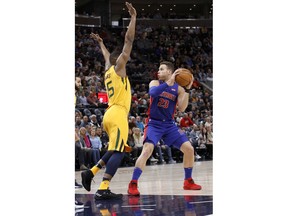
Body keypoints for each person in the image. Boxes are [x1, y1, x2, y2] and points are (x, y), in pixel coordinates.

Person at [81, 1, 137, 200]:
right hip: (118, 112)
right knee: (119, 153)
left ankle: (90, 173)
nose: (127, 60)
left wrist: (101, 43)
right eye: (124, 58)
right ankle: (103, 187)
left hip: (109, 114)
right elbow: (128, 41)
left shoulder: (108, 70)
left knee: (114, 149)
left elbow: (106, 57)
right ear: (119, 60)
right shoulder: (120, 68)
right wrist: (133, 17)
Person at [127, 61, 202, 196]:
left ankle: (188, 181)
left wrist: (187, 90)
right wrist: (169, 82)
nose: (158, 71)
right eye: (158, 69)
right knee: (147, 151)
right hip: (154, 123)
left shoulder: (178, 89)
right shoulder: (155, 83)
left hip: (169, 125)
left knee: (189, 149)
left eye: (161, 69)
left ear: (169, 72)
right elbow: (153, 93)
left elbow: (182, 108)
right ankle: (133, 183)